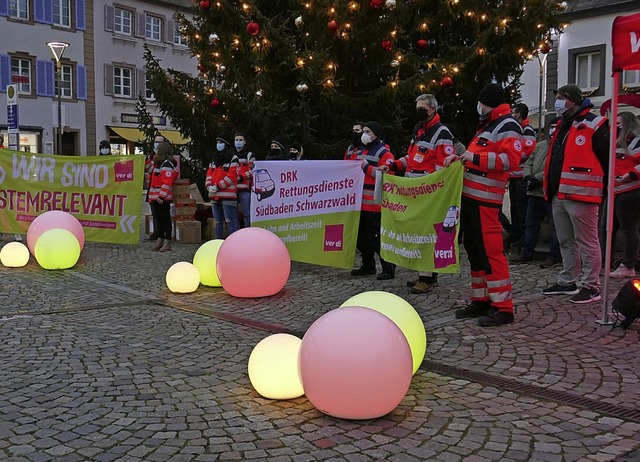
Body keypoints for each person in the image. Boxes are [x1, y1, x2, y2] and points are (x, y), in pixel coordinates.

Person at [446, 83, 524, 327]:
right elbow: (476, 160)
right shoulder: (489, 125)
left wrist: (472, 157)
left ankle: (503, 308)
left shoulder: (507, 125)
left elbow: (509, 161)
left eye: (480, 101)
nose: (477, 105)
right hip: (472, 199)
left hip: (486, 201)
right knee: (474, 250)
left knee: (491, 253)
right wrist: (460, 159)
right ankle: (481, 300)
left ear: (486, 101)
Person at [379, 94, 456, 294]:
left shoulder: (441, 132)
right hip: (415, 193)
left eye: (421, 108)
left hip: (428, 194)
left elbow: (443, 166)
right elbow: (411, 158)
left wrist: (431, 187)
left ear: (432, 108)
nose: (418, 111)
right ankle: (425, 275)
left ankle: (427, 278)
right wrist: (394, 165)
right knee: (418, 233)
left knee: (427, 234)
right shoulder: (420, 131)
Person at [541, 84, 609, 303]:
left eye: (561, 98)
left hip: (583, 193)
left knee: (587, 241)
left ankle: (591, 286)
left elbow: (607, 160)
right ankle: (568, 281)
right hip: (559, 193)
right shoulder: (562, 124)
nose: (558, 102)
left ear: (572, 100)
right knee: (566, 241)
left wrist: (603, 191)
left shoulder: (594, 123)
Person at [510, 117, 562, 268]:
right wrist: (527, 177)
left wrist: (537, 178)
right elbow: (529, 162)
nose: (553, 130)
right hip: (534, 192)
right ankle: (527, 253)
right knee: (530, 224)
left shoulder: (560, 147)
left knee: (555, 226)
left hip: (549, 191)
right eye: (551, 127)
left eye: (555, 127)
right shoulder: (540, 146)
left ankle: (553, 255)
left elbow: (554, 167)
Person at [350, 121, 397, 280]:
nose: (364, 134)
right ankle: (368, 265)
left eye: (367, 131)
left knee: (376, 237)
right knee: (362, 238)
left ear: (376, 134)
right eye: (363, 131)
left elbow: (385, 174)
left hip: (374, 204)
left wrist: (366, 168)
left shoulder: (384, 152)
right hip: (359, 202)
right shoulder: (360, 150)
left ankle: (388, 267)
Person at [602, 112, 640, 278]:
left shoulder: (636, 141)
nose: (615, 126)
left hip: (629, 190)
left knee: (628, 229)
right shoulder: (614, 142)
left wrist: (631, 175)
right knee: (606, 228)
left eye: (618, 123)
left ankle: (628, 265)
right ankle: (604, 262)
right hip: (614, 190)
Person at [507, 103, 537, 249]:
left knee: (522, 209)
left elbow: (528, 151)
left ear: (518, 114)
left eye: (513, 112)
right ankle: (516, 234)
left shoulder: (527, 130)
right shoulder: (517, 130)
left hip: (521, 177)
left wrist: (512, 159)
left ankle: (524, 239)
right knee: (515, 208)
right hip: (513, 176)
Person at [206, 134, 240, 239]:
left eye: (221, 142)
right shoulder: (214, 158)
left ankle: (234, 245)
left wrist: (217, 186)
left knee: (231, 221)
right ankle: (218, 244)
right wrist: (208, 186)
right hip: (214, 195)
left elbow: (232, 177)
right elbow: (209, 174)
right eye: (217, 142)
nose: (218, 144)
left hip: (227, 195)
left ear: (226, 144)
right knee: (217, 222)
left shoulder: (233, 158)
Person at [147, 142, 177, 252]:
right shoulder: (158, 163)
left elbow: (167, 181)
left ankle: (167, 241)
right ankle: (160, 239)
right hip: (156, 196)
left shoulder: (167, 164)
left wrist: (162, 196)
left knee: (165, 219)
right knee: (159, 219)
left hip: (162, 197)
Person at [145, 134, 166, 241]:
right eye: (156, 141)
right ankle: (156, 232)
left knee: (161, 214)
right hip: (152, 189)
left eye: (159, 142)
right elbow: (149, 170)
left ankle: (161, 234)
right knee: (154, 212)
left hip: (161, 190)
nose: (157, 144)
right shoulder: (151, 156)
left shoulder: (164, 157)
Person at [234, 132, 254, 228]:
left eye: (240, 140)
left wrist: (241, 177)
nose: (238, 142)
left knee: (247, 213)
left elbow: (252, 170)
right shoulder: (231, 155)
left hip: (245, 188)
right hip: (232, 189)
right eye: (236, 140)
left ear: (245, 142)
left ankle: (247, 233)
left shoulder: (249, 155)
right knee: (233, 215)